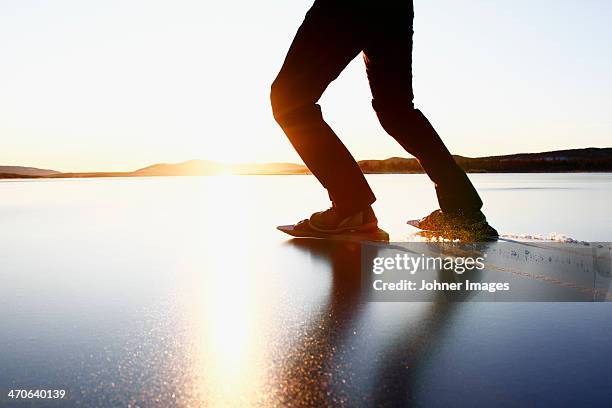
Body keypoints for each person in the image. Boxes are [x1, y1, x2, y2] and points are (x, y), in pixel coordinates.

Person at [271, 0, 497, 238]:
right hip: (394, 7)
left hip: (344, 7)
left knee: (289, 100)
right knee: (395, 110)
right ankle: (462, 210)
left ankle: (351, 208)